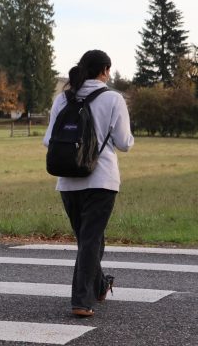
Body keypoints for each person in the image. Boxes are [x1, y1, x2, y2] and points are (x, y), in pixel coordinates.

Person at [43, 50, 134, 318]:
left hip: (68, 180)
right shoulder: (113, 99)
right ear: (105, 70)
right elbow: (125, 143)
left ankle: (101, 284)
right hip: (101, 179)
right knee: (91, 240)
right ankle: (82, 301)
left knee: (88, 239)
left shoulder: (63, 99)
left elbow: (48, 140)